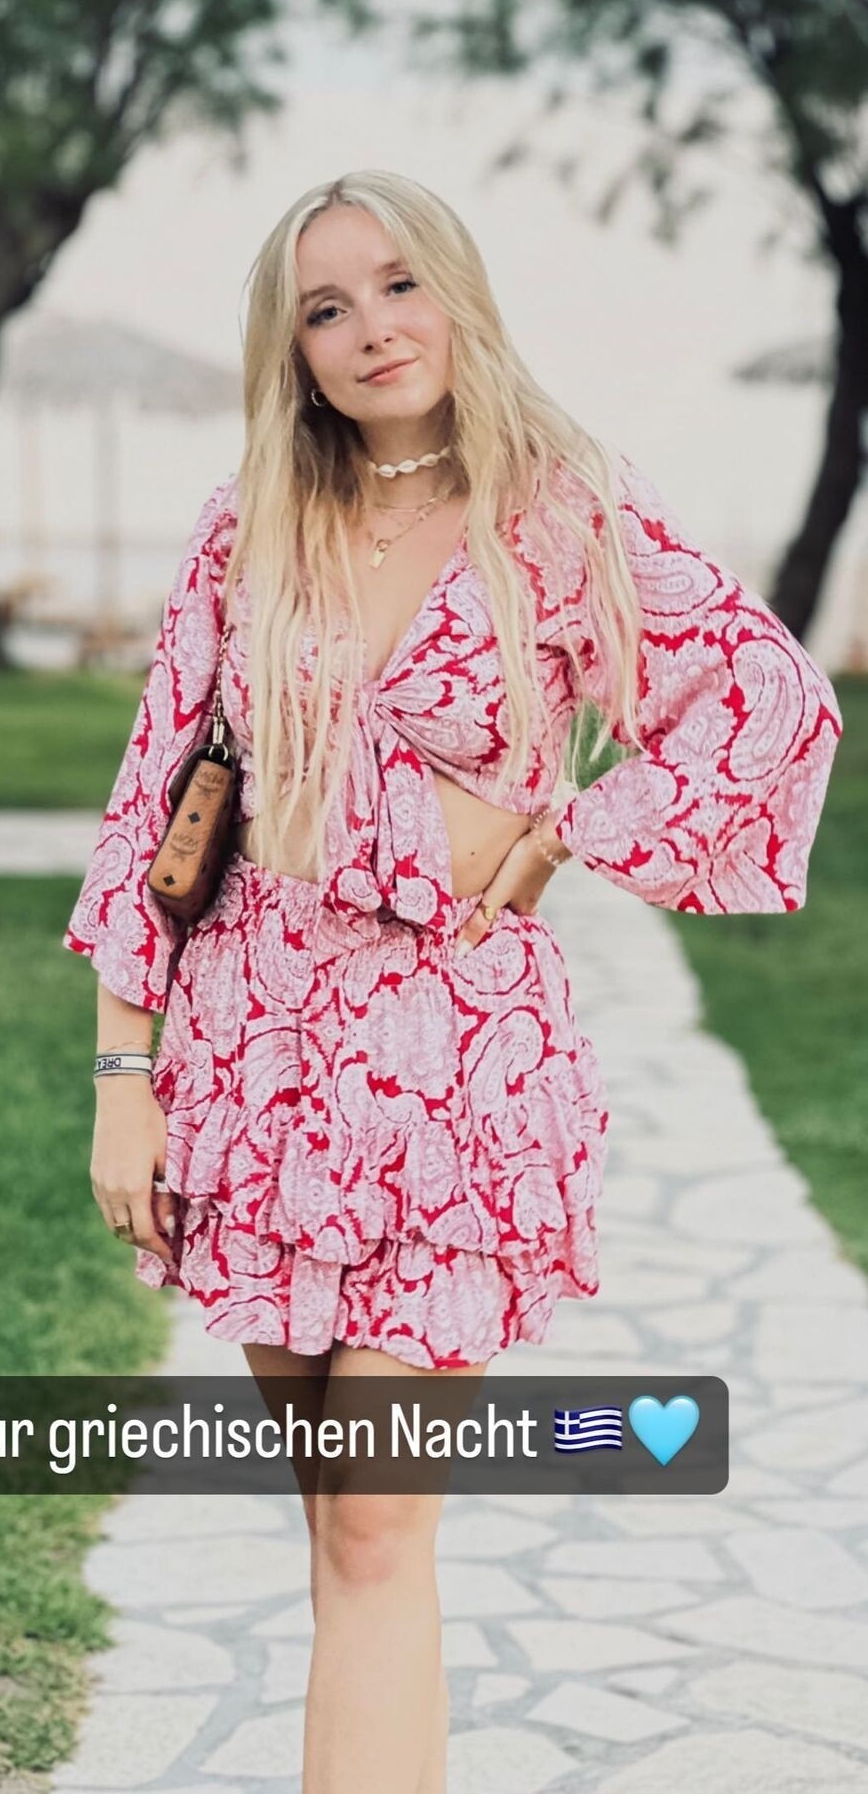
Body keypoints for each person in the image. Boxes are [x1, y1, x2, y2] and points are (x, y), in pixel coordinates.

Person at [62, 169, 843, 1794]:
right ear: (292, 347)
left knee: (372, 1522)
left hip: (455, 1072)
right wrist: (123, 1078)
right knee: (343, 1528)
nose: (371, 328)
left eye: (400, 284)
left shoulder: (557, 510)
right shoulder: (246, 524)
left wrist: (569, 832)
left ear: (459, 290)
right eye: (326, 308)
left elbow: (768, 696)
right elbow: (156, 806)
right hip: (257, 1058)